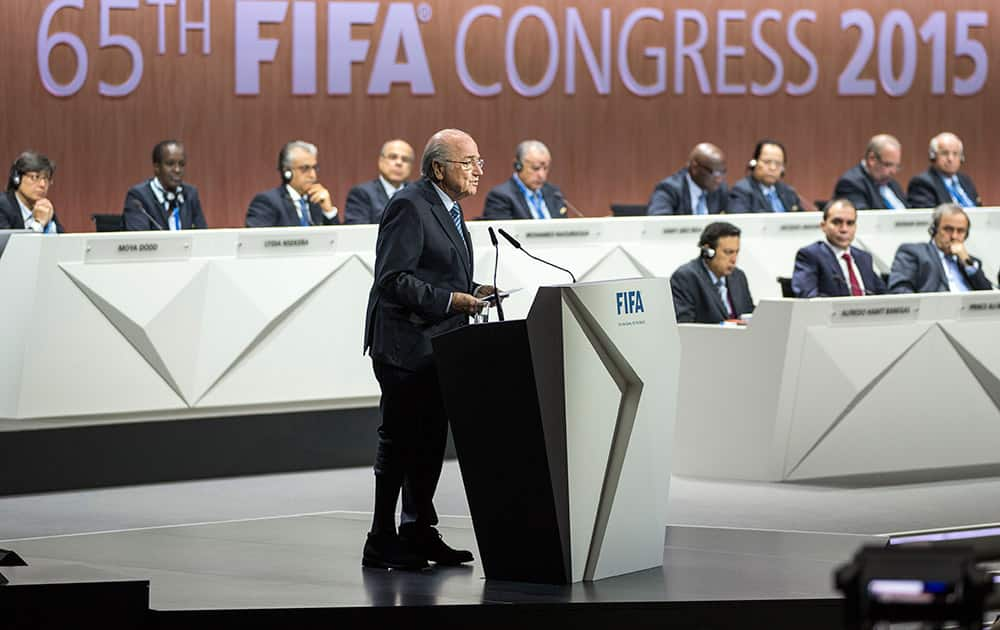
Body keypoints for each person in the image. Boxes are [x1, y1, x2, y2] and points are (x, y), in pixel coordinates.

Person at [362, 129, 496, 570]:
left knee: (430, 443)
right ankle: (381, 539)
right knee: (401, 442)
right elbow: (393, 279)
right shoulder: (409, 204)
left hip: (440, 346)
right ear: (439, 168)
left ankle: (418, 533)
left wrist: (471, 290)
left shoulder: (451, 208)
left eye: (479, 161)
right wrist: (449, 301)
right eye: (468, 162)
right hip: (405, 347)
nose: (478, 170)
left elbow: (435, 273)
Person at [888, 203, 992, 293]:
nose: (954, 236)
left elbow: (990, 299)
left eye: (960, 231)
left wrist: (967, 263)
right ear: (934, 230)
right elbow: (900, 290)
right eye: (948, 229)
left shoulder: (971, 264)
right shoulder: (913, 253)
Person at [791, 199, 886, 297]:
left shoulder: (864, 258)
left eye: (850, 223)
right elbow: (808, 298)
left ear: (855, 227)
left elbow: (885, 297)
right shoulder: (810, 256)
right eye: (837, 222)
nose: (844, 229)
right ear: (823, 226)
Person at [670, 221, 753, 323]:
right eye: (728, 252)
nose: (734, 259)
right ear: (708, 252)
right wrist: (726, 326)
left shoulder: (738, 276)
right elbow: (685, 325)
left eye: (736, 252)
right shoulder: (686, 278)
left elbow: (750, 315)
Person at [245, 141, 339, 227]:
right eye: (305, 168)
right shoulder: (267, 202)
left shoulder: (317, 202)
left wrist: (328, 211)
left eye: (314, 168)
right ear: (287, 172)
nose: (313, 175)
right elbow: (256, 241)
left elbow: (338, 241)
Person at [123, 140, 207, 231]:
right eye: (170, 164)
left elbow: (202, 235)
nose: (177, 170)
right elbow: (140, 241)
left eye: (181, 164)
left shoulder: (190, 194)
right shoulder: (138, 197)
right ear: (157, 167)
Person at [481, 140, 566, 220]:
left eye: (546, 168)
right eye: (535, 168)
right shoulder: (500, 197)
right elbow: (502, 233)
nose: (542, 175)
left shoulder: (555, 194)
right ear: (518, 166)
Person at [343, 139, 415, 225]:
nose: (399, 163)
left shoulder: (418, 194)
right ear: (381, 161)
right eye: (393, 157)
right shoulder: (361, 194)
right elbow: (358, 232)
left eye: (405, 159)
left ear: (411, 166)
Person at [647, 143, 728, 215]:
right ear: (695, 168)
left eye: (722, 172)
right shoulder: (669, 189)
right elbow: (658, 223)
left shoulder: (720, 189)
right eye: (714, 172)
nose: (719, 179)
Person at [906, 132, 981, 209]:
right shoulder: (921, 183)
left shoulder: (965, 180)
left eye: (955, 154)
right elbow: (929, 217)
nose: (950, 159)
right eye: (945, 153)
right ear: (933, 156)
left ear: (961, 157)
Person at [833, 134, 908, 210]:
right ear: (872, 159)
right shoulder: (850, 183)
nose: (893, 171)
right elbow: (865, 218)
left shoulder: (892, 184)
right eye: (888, 165)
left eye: (896, 166)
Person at [727, 139, 802, 213]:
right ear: (754, 163)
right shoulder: (741, 191)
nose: (772, 168)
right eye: (767, 162)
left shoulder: (789, 192)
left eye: (778, 163)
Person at [0, 151, 63, 233]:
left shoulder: (44, 208)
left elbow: (62, 242)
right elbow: (8, 244)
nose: (43, 185)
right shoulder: (2, 207)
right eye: (35, 177)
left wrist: (51, 226)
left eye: (46, 178)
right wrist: (38, 223)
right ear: (17, 178)